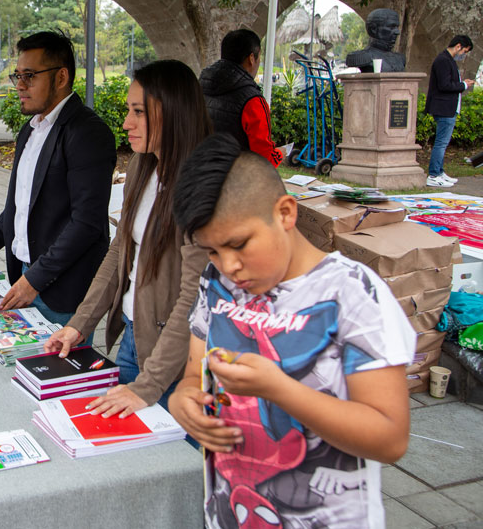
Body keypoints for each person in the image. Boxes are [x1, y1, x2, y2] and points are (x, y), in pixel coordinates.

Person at [169, 133, 414, 529]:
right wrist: (184, 400)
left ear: (285, 213)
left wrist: (279, 389)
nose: (229, 266)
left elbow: (390, 439)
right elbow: (194, 375)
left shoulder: (353, 293)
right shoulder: (216, 283)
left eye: (239, 244)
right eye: (213, 250)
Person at [43, 60, 211, 419]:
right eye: (128, 110)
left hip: (178, 360)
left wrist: (149, 386)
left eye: (139, 112)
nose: (126, 123)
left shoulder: (201, 187)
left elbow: (195, 297)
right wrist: (79, 324)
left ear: (174, 113)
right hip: (135, 337)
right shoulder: (141, 166)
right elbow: (119, 250)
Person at [0, 31, 115, 327]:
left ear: (61, 77)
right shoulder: (31, 129)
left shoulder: (87, 133)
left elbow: (87, 224)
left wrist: (35, 280)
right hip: (25, 276)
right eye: (17, 76)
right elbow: (20, 209)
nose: (19, 85)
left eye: (29, 76)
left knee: (54, 359)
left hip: (62, 290)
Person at [200, 29, 282, 167]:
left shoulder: (199, 85)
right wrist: (280, 153)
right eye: (259, 57)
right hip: (236, 175)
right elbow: (264, 160)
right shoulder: (253, 101)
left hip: (200, 172)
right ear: (251, 58)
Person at [426, 35, 475, 187]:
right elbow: (445, 85)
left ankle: (439, 172)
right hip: (444, 108)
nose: (464, 55)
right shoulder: (443, 60)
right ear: (458, 46)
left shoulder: (449, 60)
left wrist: (462, 83)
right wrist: (464, 86)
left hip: (449, 108)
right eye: (464, 51)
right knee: (441, 143)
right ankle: (434, 174)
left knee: (443, 143)